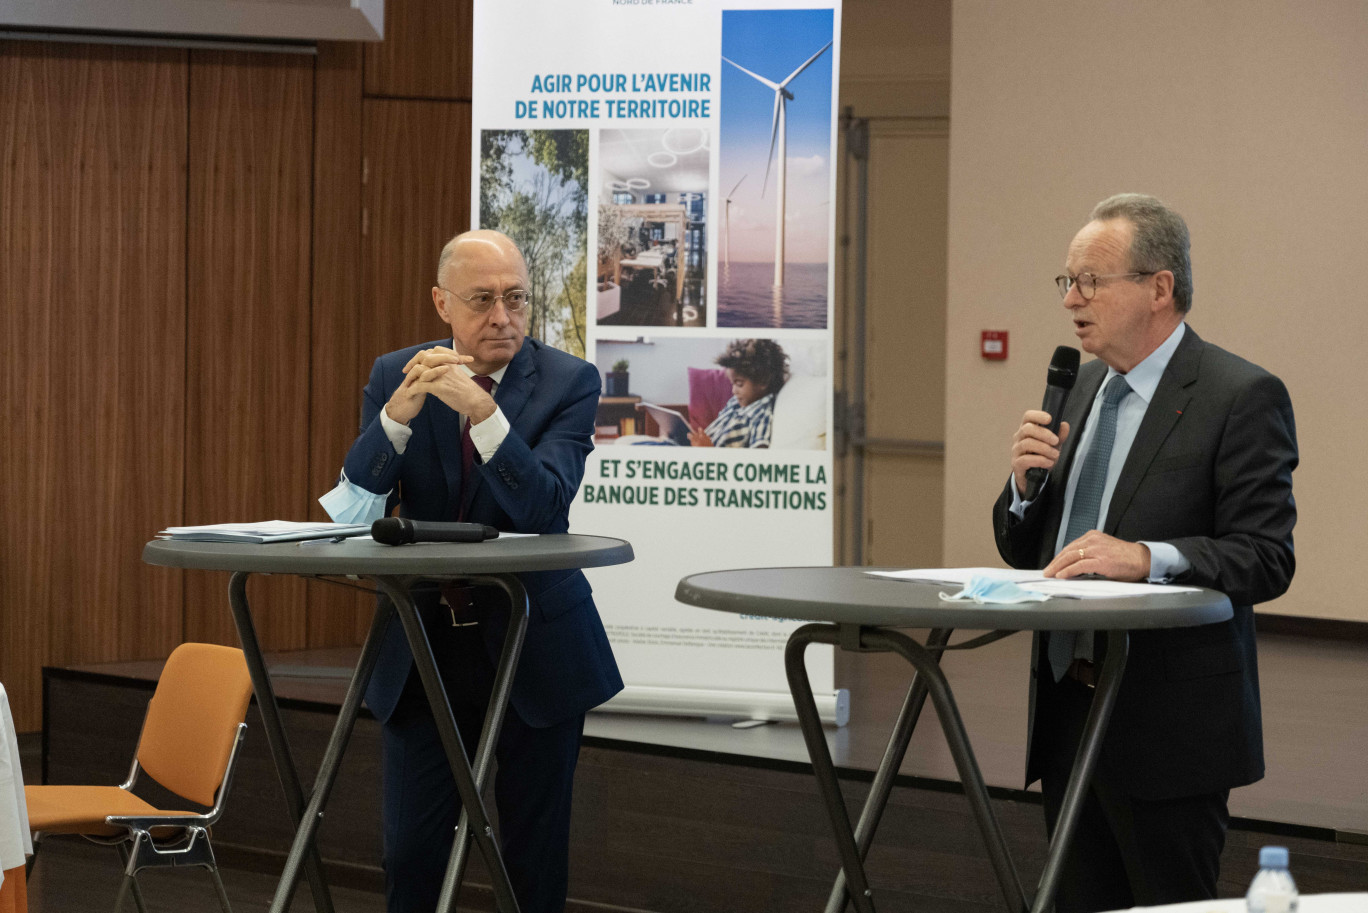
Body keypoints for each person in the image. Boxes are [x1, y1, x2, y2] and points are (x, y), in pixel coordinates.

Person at [992, 194, 1297, 912]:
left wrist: (1149, 556)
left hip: (1168, 728)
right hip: (1069, 713)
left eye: (1090, 281)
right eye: (1065, 281)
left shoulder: (1239, 395)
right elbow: (1022, 547)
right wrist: (1023, 489)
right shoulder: (1083, 386)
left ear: (1159, 287)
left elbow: (1266, 556)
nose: (1071, 298)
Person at [320, 229, 622, 913]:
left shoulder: (571, 382)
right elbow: (351, 511)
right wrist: (395, 421)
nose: (503, 317)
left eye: (516, 298)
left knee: (530, 859)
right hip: (425, 642)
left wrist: (482, 411)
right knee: (412, 853)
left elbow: (544, 507)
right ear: (442, 303)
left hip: (532, 643)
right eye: (482, 300)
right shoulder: (396, 371)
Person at [687, 338, 789, 448]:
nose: (733, 391)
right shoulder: (737, 402)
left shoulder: (761, 414)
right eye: (732, 384)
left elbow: (758, 458)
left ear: (763, 381)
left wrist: (708, 450)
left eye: (739, 384)